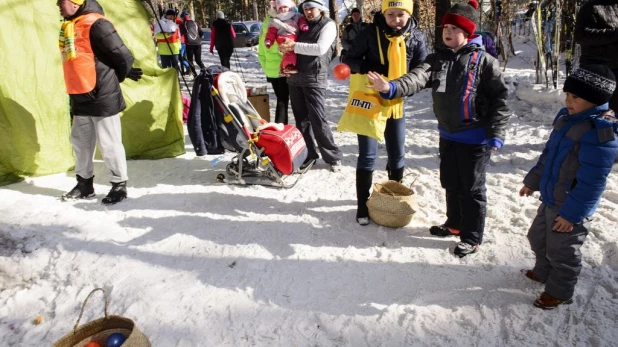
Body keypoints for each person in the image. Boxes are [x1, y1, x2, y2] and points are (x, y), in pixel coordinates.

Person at [367, 0, 510, 257]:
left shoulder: (484, 62)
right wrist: (390, 88)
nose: (447, 32)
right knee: (451, 182)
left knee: (472, 189)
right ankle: (454, 224)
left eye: (454, 29)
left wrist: (496, 133)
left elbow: (501, 100)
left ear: (467, 33)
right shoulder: (437, 59)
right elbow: (416, 77)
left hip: (475, 137)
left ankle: (472, 236)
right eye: (445, 28)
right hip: (448, 134)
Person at [519, 65, 618, 310]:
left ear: (595, 101)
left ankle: (560, 291)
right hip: (551, 198)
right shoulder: (566, 119)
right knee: (537, 238)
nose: (568, 100)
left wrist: (572, 215)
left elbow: (592, 182)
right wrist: (532, 182)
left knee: (562, 252)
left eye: (576, 97)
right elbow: (548, 155)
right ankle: (543, 271)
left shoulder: (599, 134)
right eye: (567, 95)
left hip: (571, 207)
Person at [342, 0, 427, 225]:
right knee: (368, 155)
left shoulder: (416, 37)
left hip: (396, 102)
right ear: (384, 13)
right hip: (370, 101)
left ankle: (393, 197)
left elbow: (422, 71)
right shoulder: (370, 32)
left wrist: (401, 84)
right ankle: (362, 204)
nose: (396, 20)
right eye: (391, 14)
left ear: (408, 13)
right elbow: (348, 58)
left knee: (397, 154)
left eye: (401, 14)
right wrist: (370, 69)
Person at [56, 0, 142, 205]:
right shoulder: (71, 24)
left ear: (75, 3)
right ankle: (84, 184)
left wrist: (117, 77)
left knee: (109, 142)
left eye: (62, 1)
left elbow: (122, 55)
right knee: (81, 142)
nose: (58, 4)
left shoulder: (96, 23)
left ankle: (119, 184)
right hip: (79, 93)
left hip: (101, 92)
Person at [278, 0, 343, 172]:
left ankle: (332, 157)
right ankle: (309, 154)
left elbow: (320, 49)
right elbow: (287, 41)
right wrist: (283, 48)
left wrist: (294, 46)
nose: (307, 12)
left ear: (320, 9)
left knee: (318, 120)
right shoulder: (299, 23)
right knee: (301, 120)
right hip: (294, 77)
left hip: (314, 78)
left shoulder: (328, 25)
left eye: (311, 8)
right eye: (305, 9)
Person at [574, 0, 618, 110]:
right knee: (599, 113)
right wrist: (614, 34)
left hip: (615, 67)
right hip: (597, 71)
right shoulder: (591, 7)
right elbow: (581, 36)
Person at [258, 2, 292, 124]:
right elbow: (281, 46)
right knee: (283, 100)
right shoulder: (279, 23)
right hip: (281, 67)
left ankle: (280, 124)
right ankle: (281, 125)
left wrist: (265, 65)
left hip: (270, 68)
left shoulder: (266, 22)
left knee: (280, 98)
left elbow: (261, 47)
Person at [264, 0, 308, 74]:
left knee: (289, 52)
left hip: (294, 36)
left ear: (289, 7)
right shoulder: (275, 20)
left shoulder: (296, 16)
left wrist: (303, 25)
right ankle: (289, 66)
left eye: (285, 7)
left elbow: (301, 21)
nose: (283, 9)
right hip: (283, 37)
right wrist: (269, 40)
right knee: (289, 50)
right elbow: (271, 32)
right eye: (280, 8)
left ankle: (283, 68)